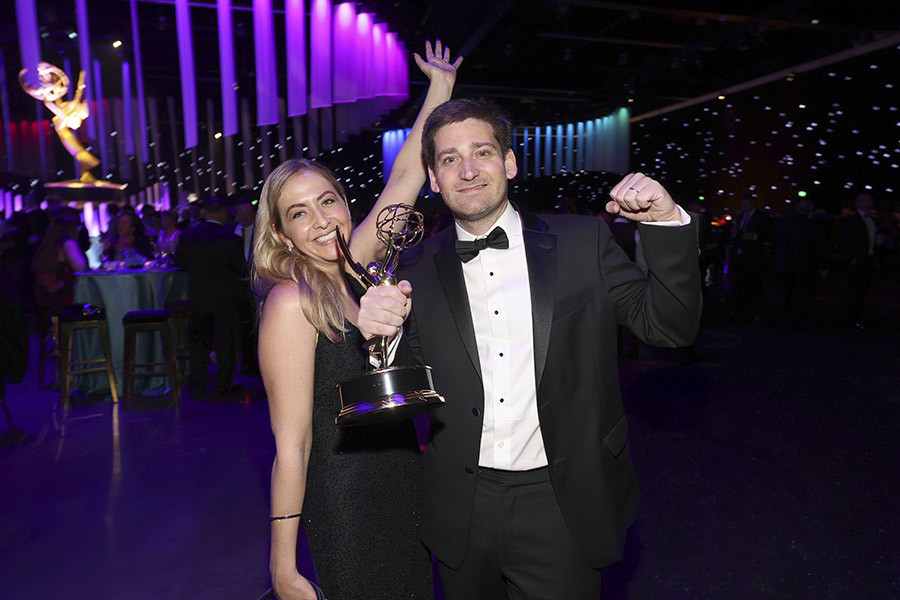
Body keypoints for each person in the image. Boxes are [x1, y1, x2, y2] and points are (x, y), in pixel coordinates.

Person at [356, 98, 702, 599]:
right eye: (450, 159)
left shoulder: (584, 242)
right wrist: (378, 337)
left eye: (483, 152)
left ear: (510, 163)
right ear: (433, 178)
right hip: (461, 507)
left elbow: (670, 326)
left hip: (563, 503)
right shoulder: (411, 268)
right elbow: (403, 385)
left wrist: (666, 222)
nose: (469, 170)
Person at [254, 41, 461, 600]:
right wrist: (282, 567)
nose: (321, 222)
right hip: (347, 499)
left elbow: (401, 183)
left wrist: (439, 91)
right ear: (282, 234)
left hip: (400, 475)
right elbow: (291, 444)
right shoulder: (290, 303)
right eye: (300, 213)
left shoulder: (352, 268)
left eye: (329, 201)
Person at [174, 197, 245, 398]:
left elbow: (180, 263)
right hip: (226, 298)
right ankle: (224, 386)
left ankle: (197, 386)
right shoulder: (231, 238)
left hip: (198, 297)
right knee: (226, 343)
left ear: (205, 212)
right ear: (224, 213)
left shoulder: (188, 236)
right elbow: (241, 268)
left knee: (198, 343)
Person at [30, 207, 88, 310]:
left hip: (43, 297)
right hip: (63, 298)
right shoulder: (68, 242)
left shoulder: (47, 243)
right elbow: (81, 269)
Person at [728, 193, 772, 322]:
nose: (745, 207)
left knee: (754, 284)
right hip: (740, 256)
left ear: (753, 203)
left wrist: (756, 237)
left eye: (747, 205)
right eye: (743, 204)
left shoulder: (762, 217)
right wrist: (734, 234)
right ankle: (740, 310)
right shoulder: (740, 216)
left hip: (754, 256)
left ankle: (755, 311)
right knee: (739, 284)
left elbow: (768, 233)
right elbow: (734, 234)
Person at [842, 192, 878, 330]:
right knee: (854, 291)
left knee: (862, 291)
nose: (868, 203)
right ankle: (850, 320)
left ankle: (855, 318)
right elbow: (847, 241)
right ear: (857, 203)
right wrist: (852, 259)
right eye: (864, 201)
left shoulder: (872, 220)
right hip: (858, 260)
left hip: (867, 259)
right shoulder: (853, 220)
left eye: (869, 201)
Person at [232, 196, 258, 373]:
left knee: (259, 325)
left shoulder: (261, 230)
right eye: (241, 212)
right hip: (239, 286)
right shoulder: (234, 232)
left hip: (258, 285)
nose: (245, 216)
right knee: (243, 327)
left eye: (248, 212)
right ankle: (248, 362)